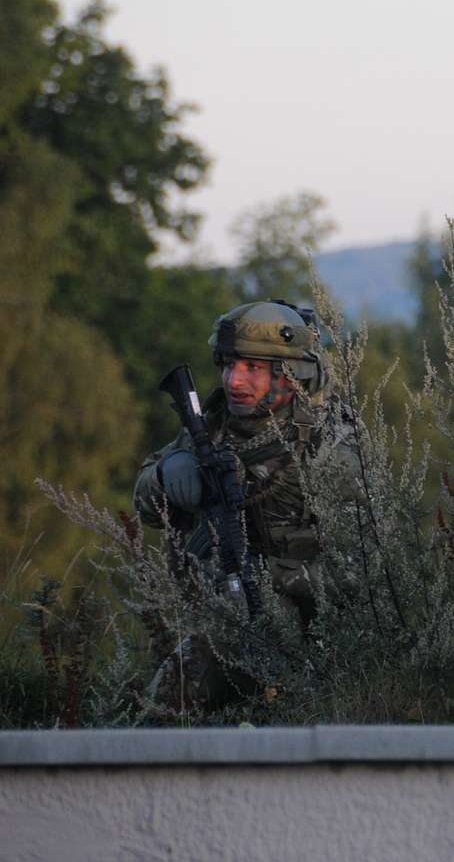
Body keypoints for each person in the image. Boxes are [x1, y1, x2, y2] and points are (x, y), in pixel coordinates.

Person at [132, 298, 365, 708]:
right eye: (228, 365)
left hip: (323, 637)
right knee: (167, 705)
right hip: (227, 624)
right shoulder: (214, 428)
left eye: (252, 368)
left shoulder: (333, 447)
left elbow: (361, 572)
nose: (234, 381)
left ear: (290, 373)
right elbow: (146, 508)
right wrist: (167, 474)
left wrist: (267, 580)